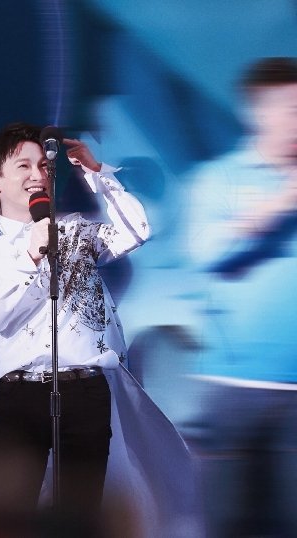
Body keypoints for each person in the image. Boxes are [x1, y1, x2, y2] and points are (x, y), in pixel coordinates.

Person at [0, 123, 151, 516]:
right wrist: (33, 258)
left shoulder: (75, 231)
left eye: (43, 166)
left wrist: (96, 172)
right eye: (23, 166)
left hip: (85, 389)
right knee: (12, 515)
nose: (37, 174)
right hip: (19, 394)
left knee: (80, 515)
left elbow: (135, 232)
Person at [184, 57, 297, 537]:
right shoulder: (219, 179)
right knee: (229, 524)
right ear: (256, 112)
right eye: (289, 109)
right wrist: (280, 203)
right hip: (234, 386)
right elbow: (207, 253)